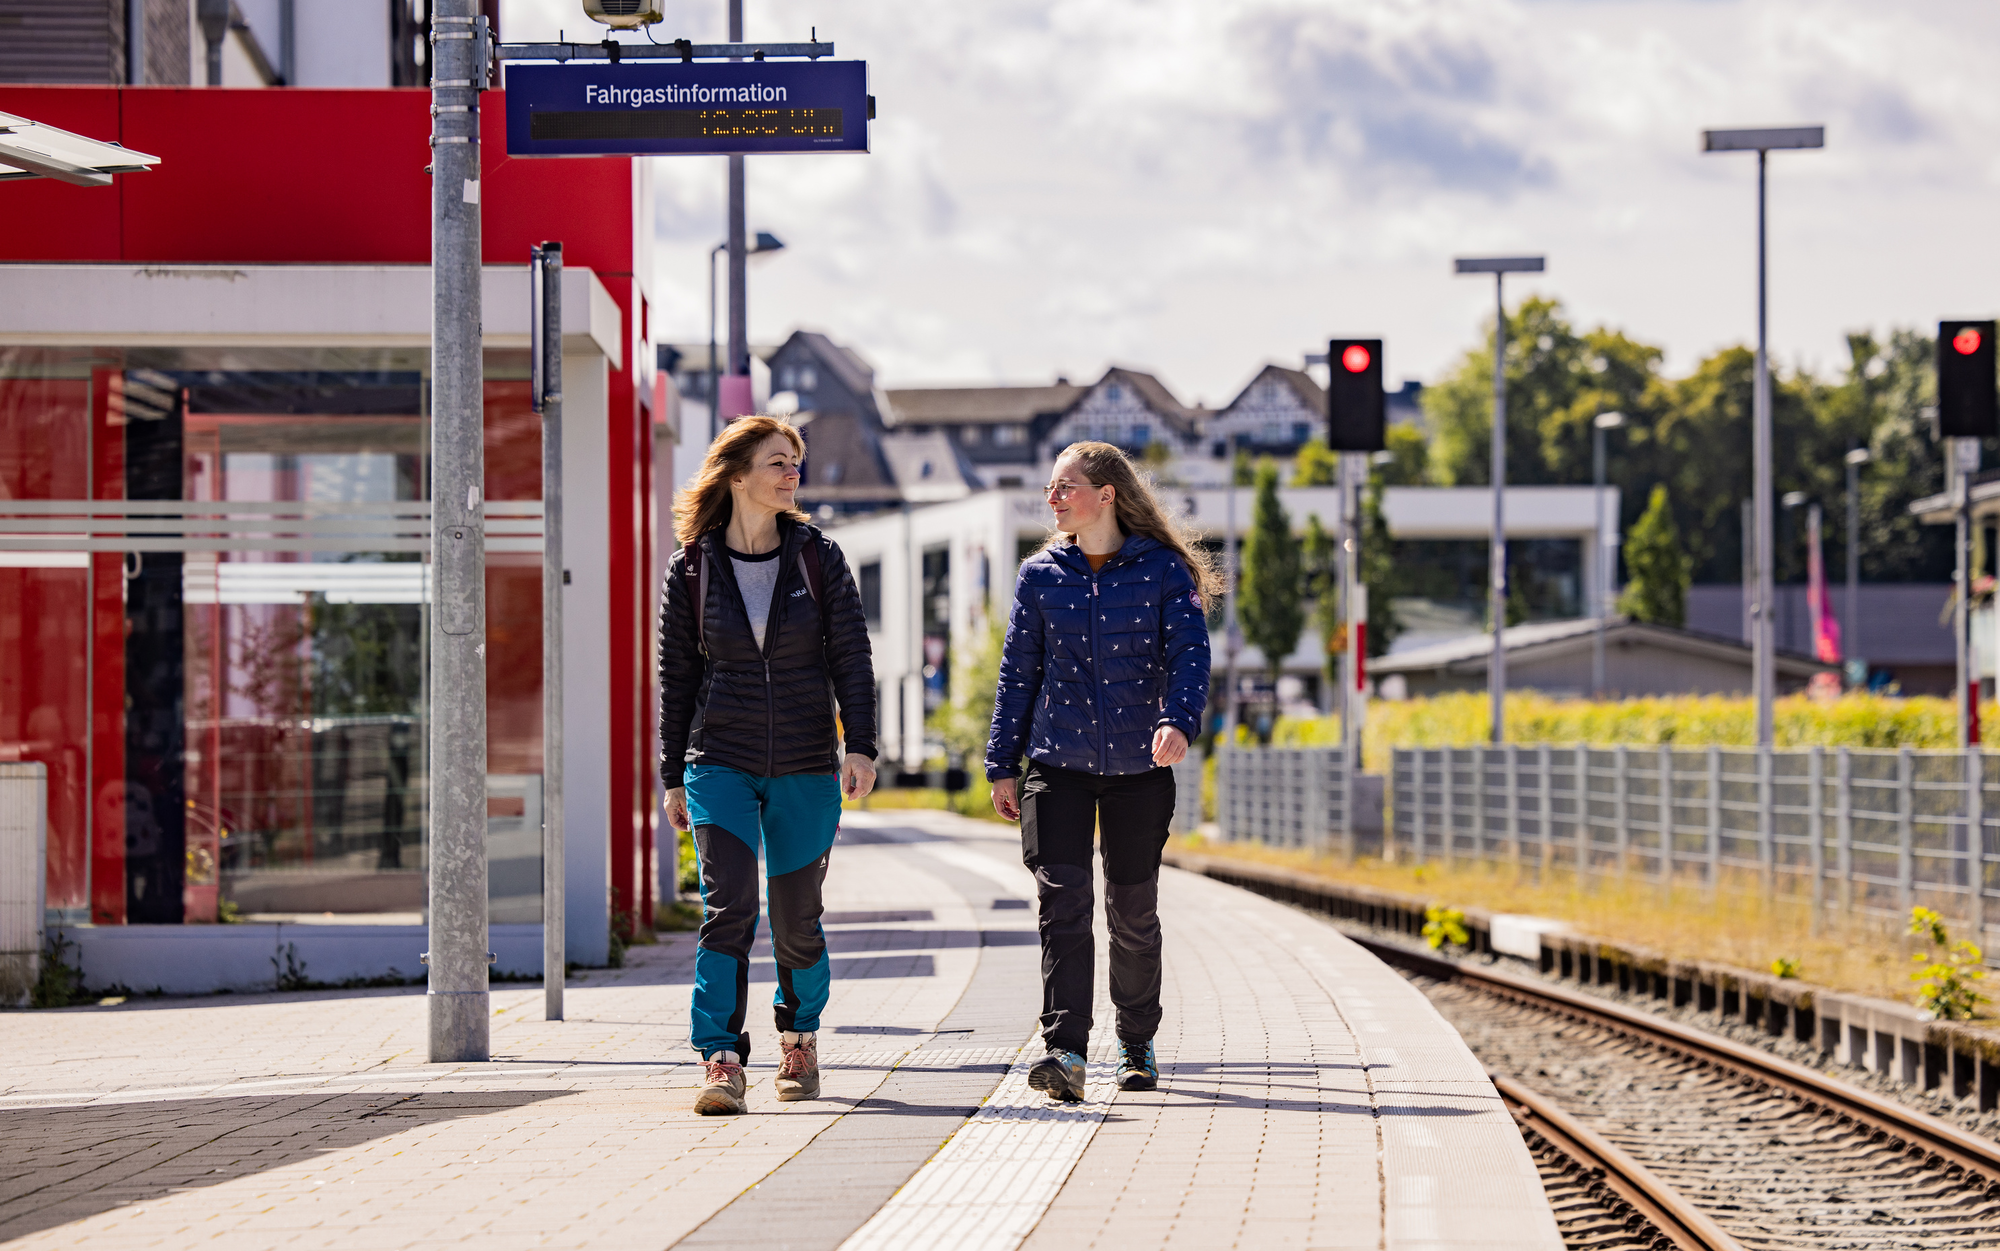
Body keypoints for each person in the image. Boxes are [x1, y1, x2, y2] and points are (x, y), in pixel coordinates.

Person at [659, 416, 878, 1116]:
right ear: (737, 475)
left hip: (807, 761)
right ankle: (720, 1057)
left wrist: (863, 745)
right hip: (718, 757)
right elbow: (677, 677)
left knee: (796, 918)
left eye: (795, 462)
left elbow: (851, 656)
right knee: (728, 909)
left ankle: (800, 1039)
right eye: (778, 462)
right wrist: (671, 773)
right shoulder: (692, 568)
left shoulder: (819, 557)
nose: (793, 474)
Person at [985, 441, 1215, 1101]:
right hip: (1057, 763)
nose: (1053, 498)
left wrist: (1177, 719)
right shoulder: (1041, 576)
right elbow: (1017, 675)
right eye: (1051, 488)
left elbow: (1190, 655)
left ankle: (1136, 1041)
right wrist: (1003, 762)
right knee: (1063, 900)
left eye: (1066, 486)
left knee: (1132, 909)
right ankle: (1066, 1051)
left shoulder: (1163, 571)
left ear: (1106, 494)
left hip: (1140, 766)